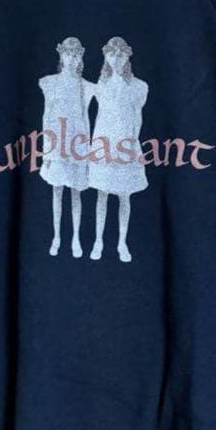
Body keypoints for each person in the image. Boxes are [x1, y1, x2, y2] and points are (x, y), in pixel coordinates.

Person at [87, 36, 149, 263]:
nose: (116, 58)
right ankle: (98, 241)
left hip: (126, 145)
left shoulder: (139, 86)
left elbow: (137, 118)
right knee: (101, 195)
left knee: (124, 196)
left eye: (120, 54)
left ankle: (122, 242)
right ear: (106, 57)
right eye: (111, 54)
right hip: (104, 144)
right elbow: (100, 117)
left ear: (127, 57)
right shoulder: (100, 85)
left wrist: (131, 145)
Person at [38, 36, 93, 257]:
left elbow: (86, 119)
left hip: (77, 144)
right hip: (57, 143)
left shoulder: (85, 86)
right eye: (68, 54)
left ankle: (75, 238)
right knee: (57, 191)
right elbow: (46, 117)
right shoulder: (49, 83)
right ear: (61, 56)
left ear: (80, 58)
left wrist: (87, 152)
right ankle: (57, 237)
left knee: (76, 193)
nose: (71, 58)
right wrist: (46, 151)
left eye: (75, 54)